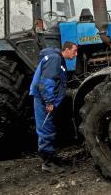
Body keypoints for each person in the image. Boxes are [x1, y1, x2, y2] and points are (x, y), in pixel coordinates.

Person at [29, 41, 78, 173]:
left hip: (46, 98)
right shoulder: (55, 59)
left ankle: (51, 157)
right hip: (43, 99)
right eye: (74, 51)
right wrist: (49, 101)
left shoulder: (58, 59)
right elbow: (46, 82)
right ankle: (47, 162)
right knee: (46, 127)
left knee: (49, 126)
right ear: (66, 50)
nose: (76, 54)